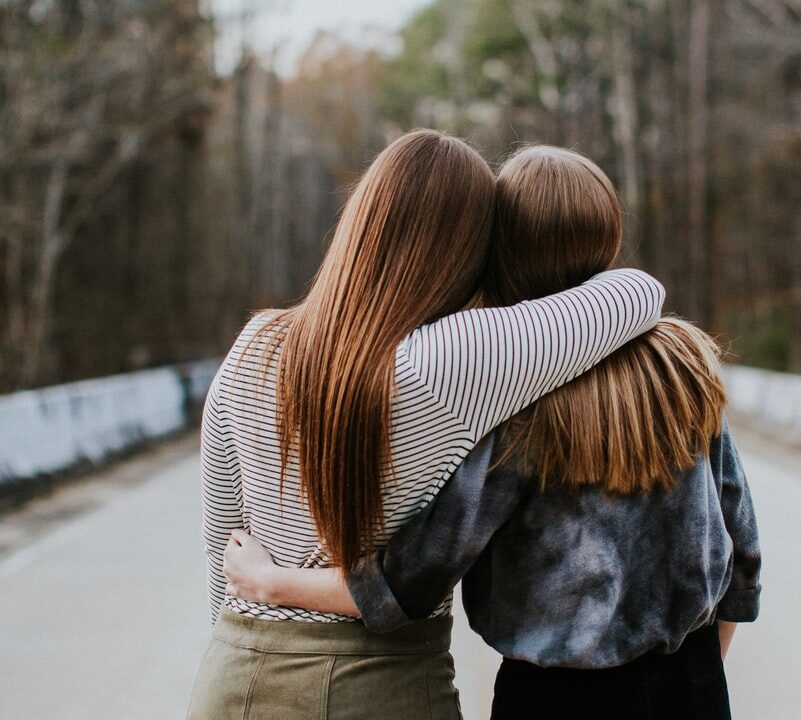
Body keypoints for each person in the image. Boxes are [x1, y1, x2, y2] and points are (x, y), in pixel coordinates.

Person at [223, 146, 761, 720]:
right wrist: (698, 673)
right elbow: (742, 545)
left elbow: (408, 582)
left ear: (499, 250)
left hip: (552, 699)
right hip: (694, 681)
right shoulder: (684, 364)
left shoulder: (516, 394)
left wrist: (271, 582)